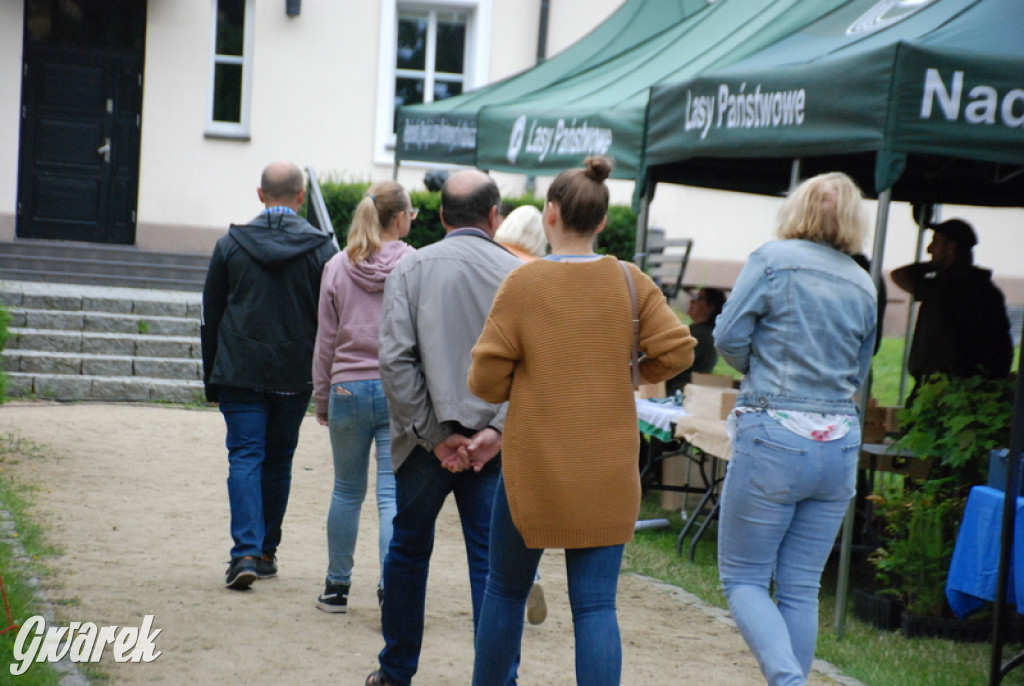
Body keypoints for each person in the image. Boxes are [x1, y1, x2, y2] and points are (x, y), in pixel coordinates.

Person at [467, 156, 697, 686]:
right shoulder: (628, 281)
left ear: (550, 214)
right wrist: (633, 371)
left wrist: (527, 379)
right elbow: (680, 350)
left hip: (535, 468)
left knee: (503, 592)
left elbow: (483, 380)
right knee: (596, 608)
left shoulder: (523, 285)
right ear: (601, 222)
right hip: (607, 470)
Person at [713, 172, 877, 686]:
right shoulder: (862, 282)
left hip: (774, 430)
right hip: (839, 439)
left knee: (743, 578)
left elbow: (726, 336)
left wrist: (755, 366)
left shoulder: (771, 260)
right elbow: (862, 363)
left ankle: (788, 680)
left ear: (796, 208)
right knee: (801, 587)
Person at [366, 170, 523, 686]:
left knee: (408, 551)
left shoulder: (412, 270)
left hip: (423, 444)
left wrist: (434, 436)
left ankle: (395, 672)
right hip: (491, 446)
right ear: (494, 215)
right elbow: (532, 364)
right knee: (493, 565)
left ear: (439, 216)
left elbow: (394, 361)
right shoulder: (518, 274)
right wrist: (495, 431)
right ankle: (497, 677)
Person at [201, 161, 338, 590]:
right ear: (301, 197)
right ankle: (265, 551)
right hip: (295, 373)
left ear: (260, 195)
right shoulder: (322, 250)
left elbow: (212, 314)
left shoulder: (231, 245)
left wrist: (212, 378)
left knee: (244, 458)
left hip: (240, 369)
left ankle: (244, 551)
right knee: (279, 461)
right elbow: (332, 319)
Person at [311, 181, 416, 613]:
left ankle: (337, 587)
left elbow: (326, 340)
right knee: (391, 496)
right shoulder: (414, 263)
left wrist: (322, 396)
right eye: (410, 212)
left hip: (347, 388)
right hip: (396, 389)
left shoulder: (337, 265)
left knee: (346, 491)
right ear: (399, 218)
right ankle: (390, 585)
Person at [891, 218, 1012, 400]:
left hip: (943, 390)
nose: (929, 249)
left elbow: (901, 275)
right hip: (964, 387)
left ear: (952, 249)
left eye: (936, 243)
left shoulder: (946, 287)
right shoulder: (984, 289)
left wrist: (934, 265)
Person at [665, 286, 727, 396]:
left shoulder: (701, 335)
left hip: (678, 394)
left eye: (699, 298)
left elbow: (669, 361)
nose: (692, 301)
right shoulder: (698, 331)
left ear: (710, 307)